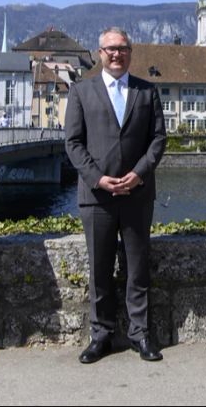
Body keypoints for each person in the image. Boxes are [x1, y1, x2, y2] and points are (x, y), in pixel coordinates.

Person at [65, 27, 167, 364]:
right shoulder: (81, 91)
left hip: (137, 194)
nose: (116, 54)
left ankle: (140, 334)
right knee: (100, 270)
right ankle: (101, 335)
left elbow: (158, 140)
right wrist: (98, 179)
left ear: (130, 52)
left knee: (138, 269)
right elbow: (73, 143)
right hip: (98, 197)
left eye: (122, 48)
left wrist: (138, 174)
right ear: (99, 53)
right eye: (110, 49)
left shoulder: (147, 92)